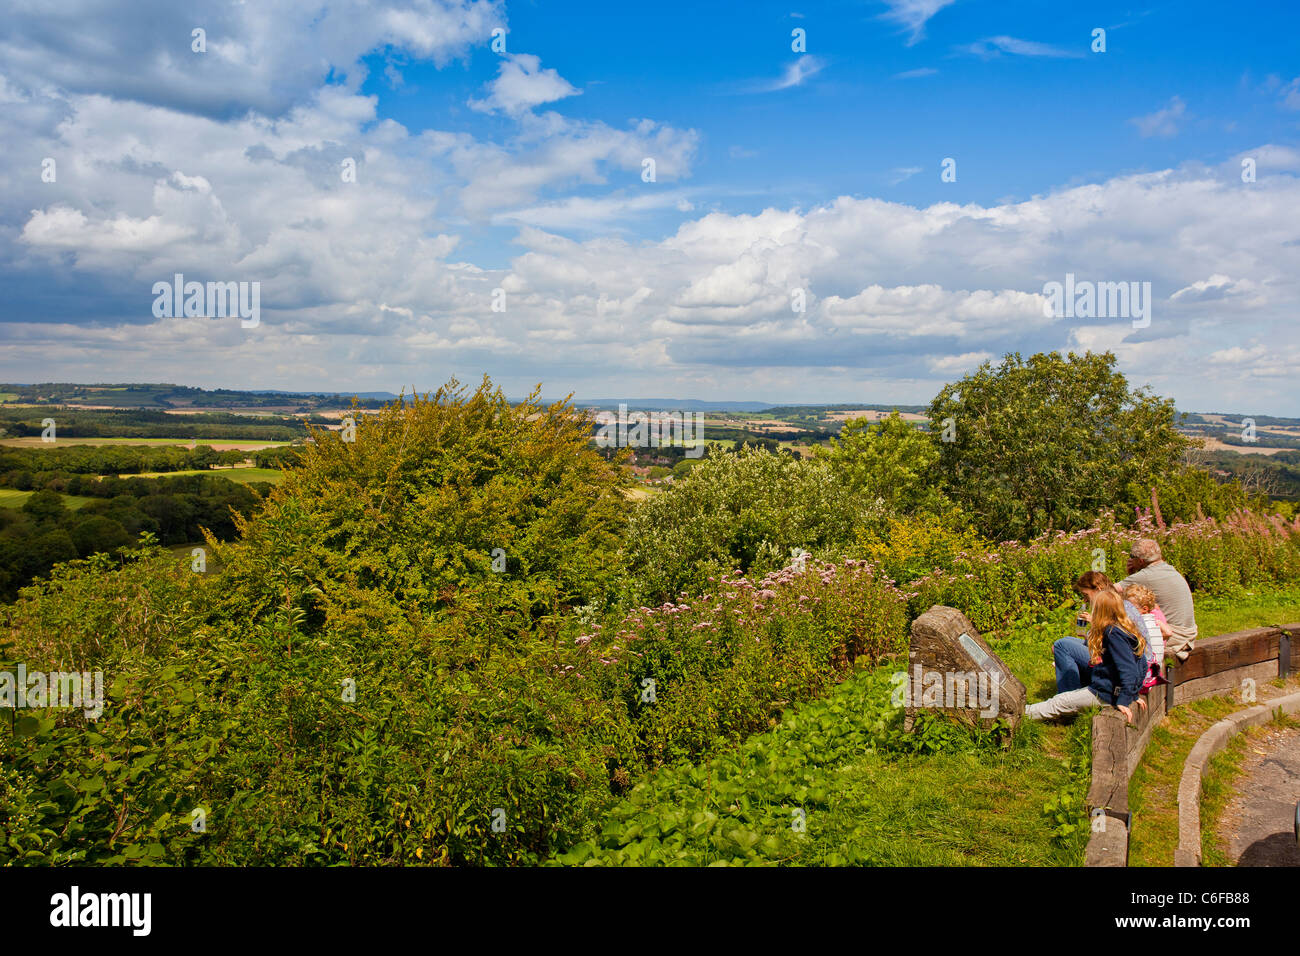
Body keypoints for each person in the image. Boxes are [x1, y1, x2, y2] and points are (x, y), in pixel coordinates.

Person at [1028, 589, 1147, 722]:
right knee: (1064, 700)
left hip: (1106, 693)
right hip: (1110, 690)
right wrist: (1134, 693)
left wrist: (1124, 699)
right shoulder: (1125, 629)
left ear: (1099, 610)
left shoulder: (1113, 633)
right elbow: (1142, 664)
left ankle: (1020, 714)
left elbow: (1129, 669)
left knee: (1059, 702)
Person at [1051, 571, 1149, 694]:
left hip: (1127, 669)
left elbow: (1115, 646)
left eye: (1086, 595)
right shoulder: (1120, 602)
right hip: (1135, 663)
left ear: (1098, 589)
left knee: (1062, 645)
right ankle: (1078, 688)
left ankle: (1068, 695)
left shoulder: (1113, 606)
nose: (1085, 600)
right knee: (1067, 642)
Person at [1116, 538, 1197, 662]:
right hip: (1187, 635)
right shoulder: (1168, 568)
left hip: (1173, 636)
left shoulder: (1146, 575)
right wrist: (1132, 575)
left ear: (1141, 560)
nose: (1130, 559)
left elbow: (1107, 592)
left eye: (1132, 556)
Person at [1125, 583, 1170, 689]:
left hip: (1144, 677)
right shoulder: (1154, 621)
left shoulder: (1139, 625)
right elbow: (1168, 632)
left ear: (1144, 609)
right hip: (1154, 674)